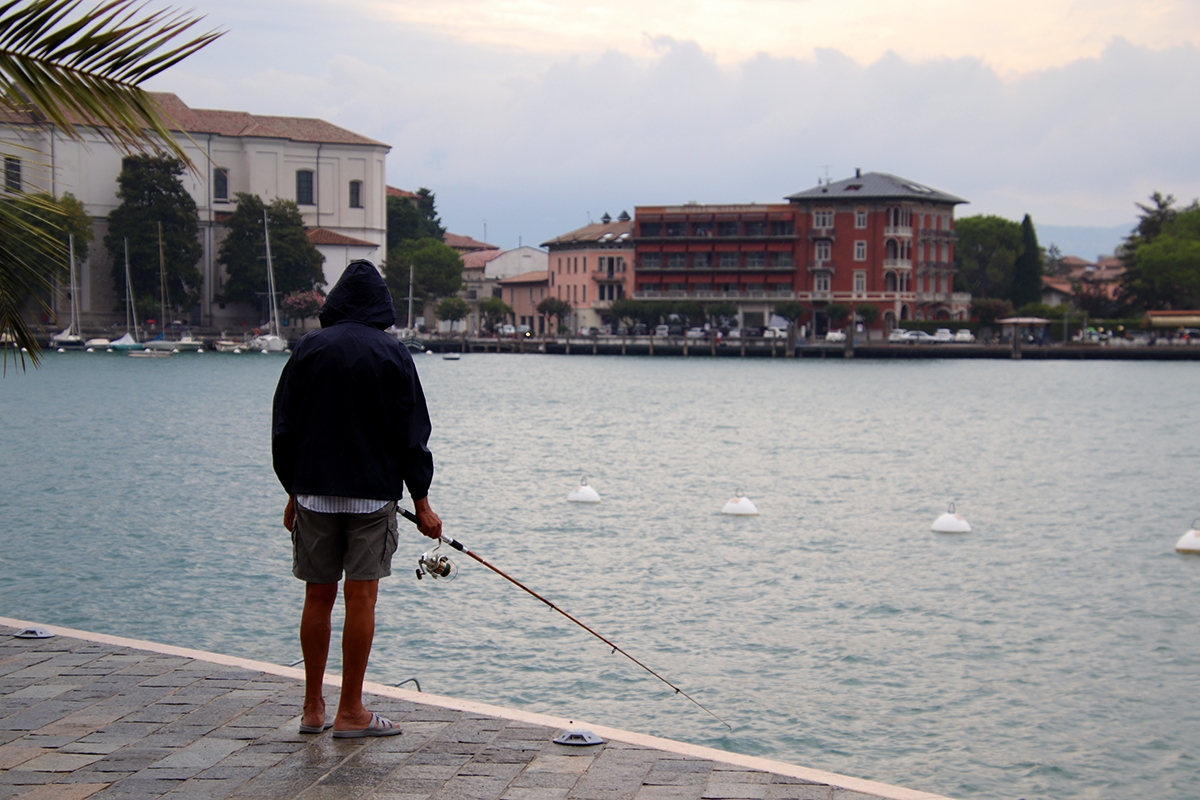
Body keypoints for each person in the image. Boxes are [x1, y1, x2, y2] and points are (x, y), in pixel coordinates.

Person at [272, 259, 442, 738]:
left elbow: (283, 426)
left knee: (317, 595)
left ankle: (311, 707)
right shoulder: (394, 354)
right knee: (361, 596)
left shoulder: (307, 349)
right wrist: (422, 503)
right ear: (381, 305)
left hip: (313, 493)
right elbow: (413, 434)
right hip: (370, 498)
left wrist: (292, 490)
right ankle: (351, 711)